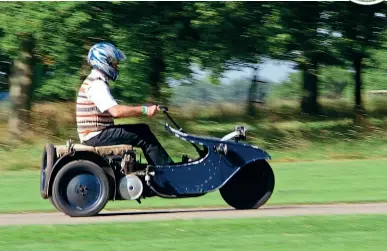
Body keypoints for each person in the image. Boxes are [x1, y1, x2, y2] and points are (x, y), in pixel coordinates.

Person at [76, 42, 173, 166]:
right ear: (104, 61)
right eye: (114, 62)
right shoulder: (96, 84)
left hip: (96, 135)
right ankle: (168, 171)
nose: (116, 66)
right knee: (143, 133)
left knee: (142, 130)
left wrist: (145, 107)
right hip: (95, 137)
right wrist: (145, 110)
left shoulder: (96, 81)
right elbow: (116, 112)